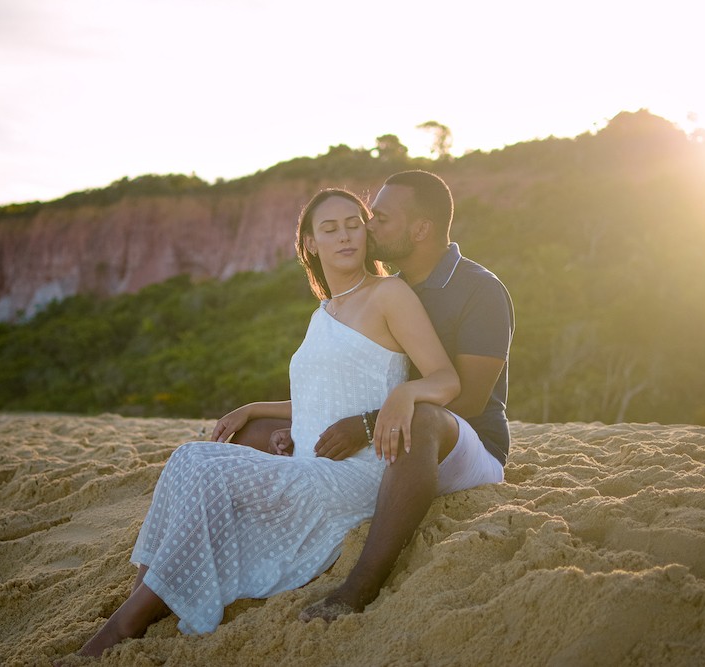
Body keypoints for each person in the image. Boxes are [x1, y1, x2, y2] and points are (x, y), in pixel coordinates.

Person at [68, 188, 461, 658]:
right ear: (311, 244)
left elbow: (445, 378)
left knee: (207, 466)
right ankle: (142, 599)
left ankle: (122, 628)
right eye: (329, 229)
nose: (344, 236)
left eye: (353, 224)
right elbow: (321, 400)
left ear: (366, 232)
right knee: (186, 458)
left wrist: (404, 393)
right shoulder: (324, 314)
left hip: (358, 473)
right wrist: (258, 408)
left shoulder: (389, 294)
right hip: (311, 464)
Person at [235, 170, 514, 622]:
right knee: (256, 433)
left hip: (465, 446)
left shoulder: (480, 291)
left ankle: (359, 586)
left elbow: (469, 402)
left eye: (379, 218)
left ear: (420, 229)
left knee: (420, 420)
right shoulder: (386, 290)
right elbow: (346, 390)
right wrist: (265, 412)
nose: (366, 228)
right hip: (391, 434)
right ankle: (270, 550)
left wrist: (368, 423)